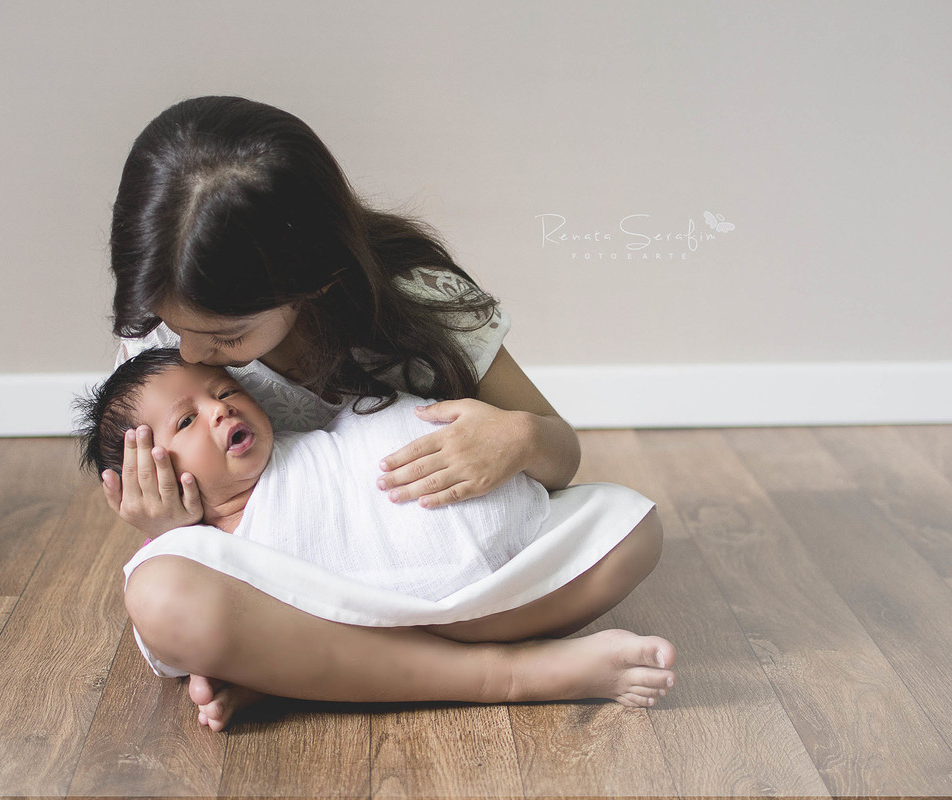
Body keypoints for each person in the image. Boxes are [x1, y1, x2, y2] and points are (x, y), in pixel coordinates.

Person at [101, 95, 674, 731]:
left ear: (313, 281)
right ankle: (509, 675)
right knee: (161, 598)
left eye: (227, 338)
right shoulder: (158, 335)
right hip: (291, 581)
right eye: (176, 327)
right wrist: (167, 523)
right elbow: (204, 530)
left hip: (420, 566)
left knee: (632, 534)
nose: (190, 352)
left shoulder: (418, 300)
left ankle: (295, 671)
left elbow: (561, 453)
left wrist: (514, 438)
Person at [77, 347, 554, 601]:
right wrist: (173, 534)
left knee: (629, 527)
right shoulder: (207, 556)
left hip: (493, 495)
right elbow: (174, 635)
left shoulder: (299, 449)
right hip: (472, 583)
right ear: (149, 472)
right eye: (186, 422)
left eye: (224, 391)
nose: (219, 411)